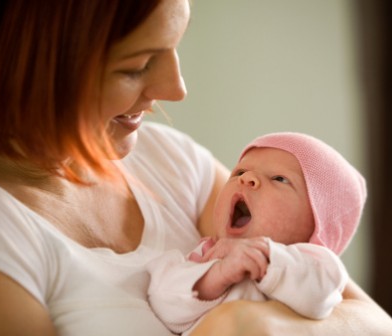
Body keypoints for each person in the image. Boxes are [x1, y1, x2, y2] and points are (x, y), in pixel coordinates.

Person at [0, 1, 392, 335]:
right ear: (21, 67)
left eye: (175, 47)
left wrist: (246, 323)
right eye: (136, 66)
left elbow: (384, 329)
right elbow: (175, 293)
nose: (176, 89)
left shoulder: (169, 161)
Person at [147, 132, 366, 335]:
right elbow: (165, 306)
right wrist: (213, 277)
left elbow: (319, 297)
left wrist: (266, 258)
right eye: (239, 172)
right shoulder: (205, 257)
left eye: (279, 179)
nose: (247, 178)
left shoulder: (317, 265)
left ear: (317, 223)